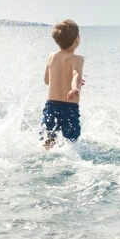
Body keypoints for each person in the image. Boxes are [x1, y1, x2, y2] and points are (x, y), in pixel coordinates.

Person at [41, 19, 85, 148]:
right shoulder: (77, 59)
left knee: (48, 140)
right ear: (77, 39)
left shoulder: (51, 57)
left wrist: (65, 80)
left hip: (51, 106)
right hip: (69, 108)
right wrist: (74, 88)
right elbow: (76, 73)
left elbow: (47, 80)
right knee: (71, 142)